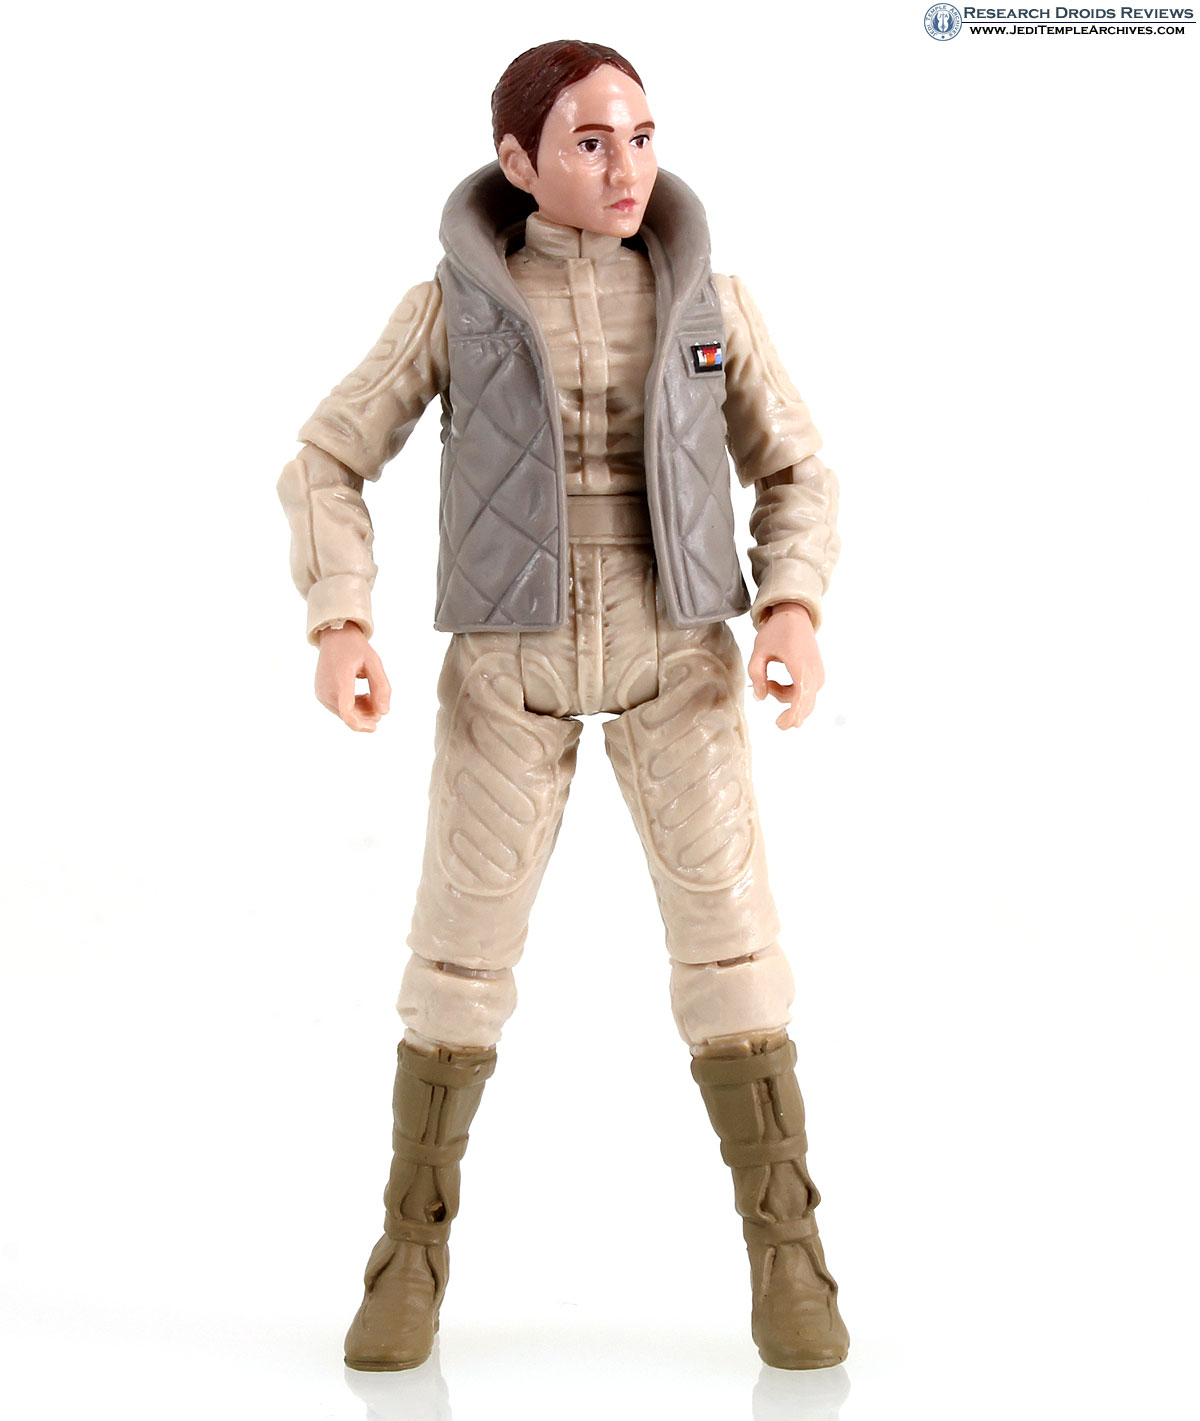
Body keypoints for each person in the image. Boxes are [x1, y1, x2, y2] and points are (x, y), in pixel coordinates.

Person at [278, 39, 848, 1372]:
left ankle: (788, 1249)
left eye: (641, 135)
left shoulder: (711, 301)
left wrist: (792, 604)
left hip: (676, 646)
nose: (625, 164)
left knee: (733, 947)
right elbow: (326, 456)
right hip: (510, 660)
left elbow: (797, 467)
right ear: (519, 161)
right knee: (459, 954)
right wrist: (340, 615)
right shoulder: (455, 307)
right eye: (590, 141)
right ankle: (408, 1250)